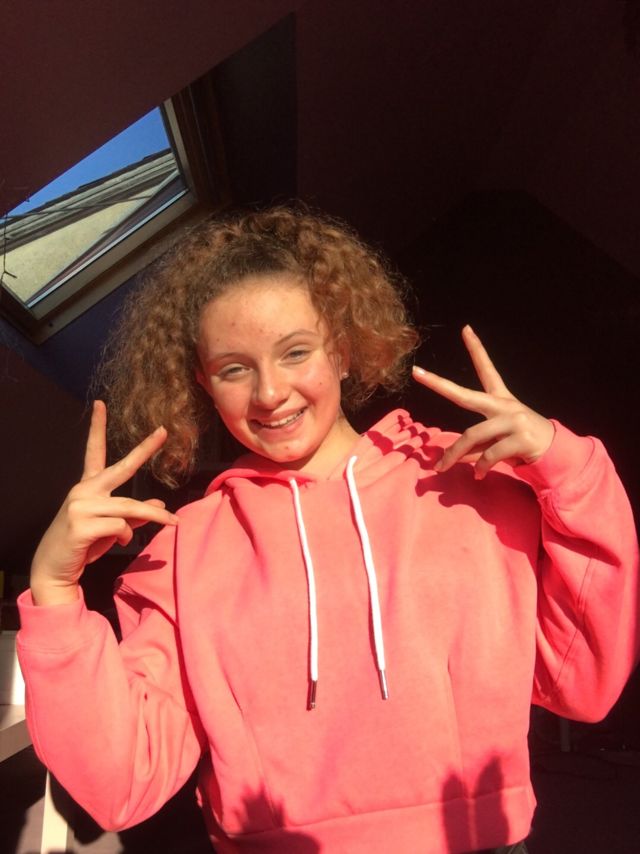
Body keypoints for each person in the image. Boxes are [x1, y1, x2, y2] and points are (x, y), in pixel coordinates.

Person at [17, 207, 639, 854]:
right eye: (234, 368)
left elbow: (585, 685)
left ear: (341, 350)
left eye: (295, 352)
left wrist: (570, 472)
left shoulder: (470, 477)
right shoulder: (183, 549)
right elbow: (123, 782)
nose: (269, 393)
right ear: (204, 382)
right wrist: (55, 595)